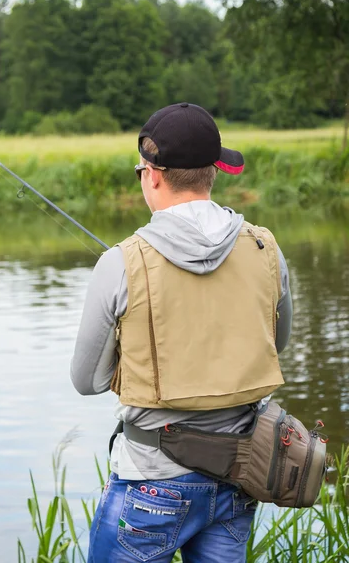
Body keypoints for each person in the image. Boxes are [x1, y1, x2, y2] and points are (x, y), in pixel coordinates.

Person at [71, 103, 293, 563]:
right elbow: (276, 343)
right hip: (237, 478)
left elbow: (86, 381)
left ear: (152, 175)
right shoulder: (266, 247)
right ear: (212, 172)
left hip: (151, 480)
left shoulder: (120, 262)